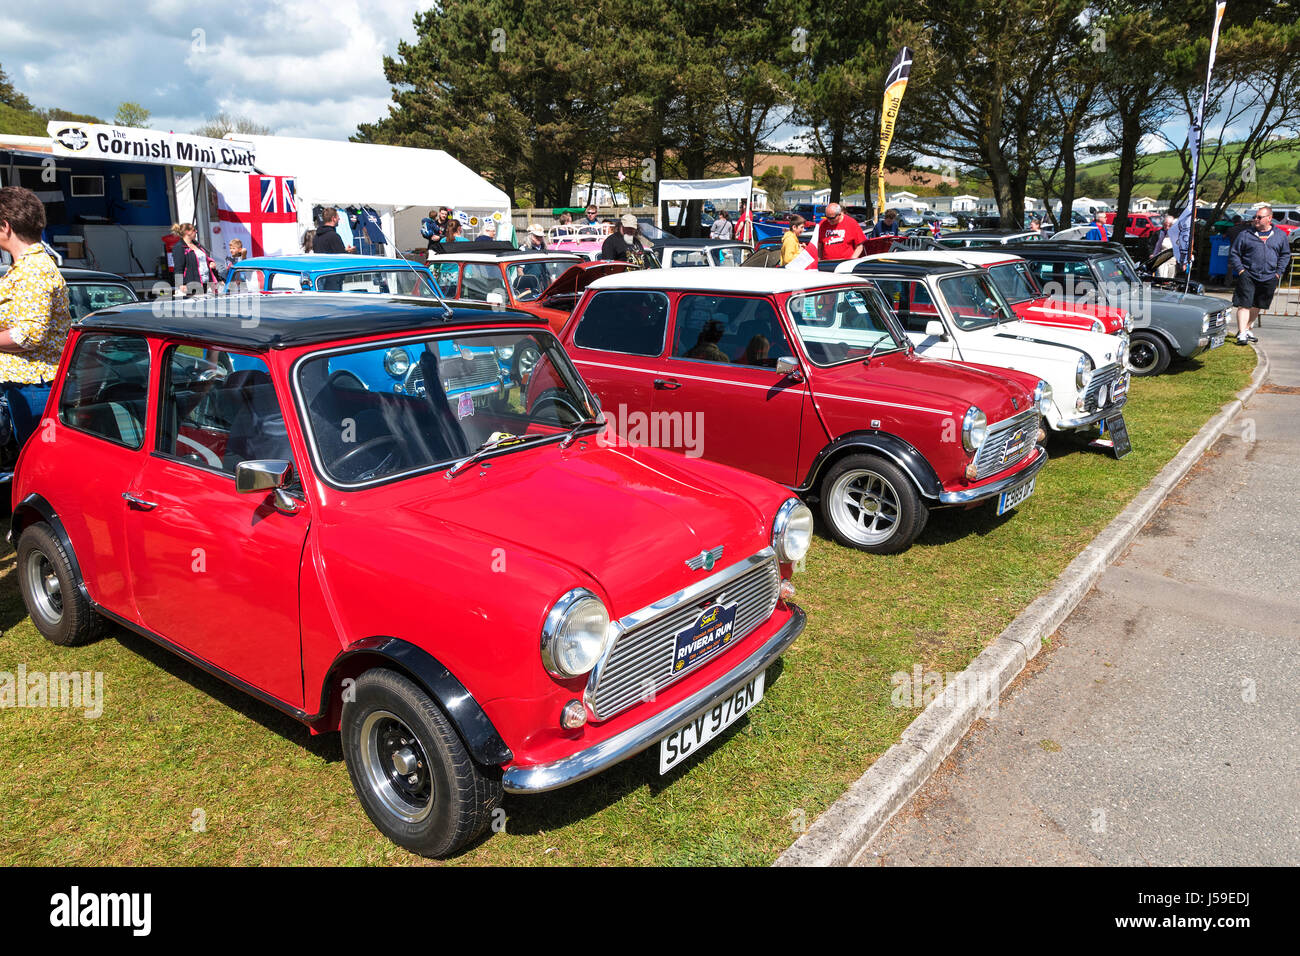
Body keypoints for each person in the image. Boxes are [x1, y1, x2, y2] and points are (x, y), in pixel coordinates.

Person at [0, 186, 74, 451]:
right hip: (29, 384)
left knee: (39, 458)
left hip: (35, 387)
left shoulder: (34, 269)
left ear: (5, 226)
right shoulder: (27, 266)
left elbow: (28, 334)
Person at [1228, 204, 1291, 345]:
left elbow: (1285, 254)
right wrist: (1241, 270)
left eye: (1259, 217)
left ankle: (1246, 328)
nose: (1255, 219)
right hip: (1248, 274)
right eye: (1255, 217)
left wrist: (1278, 272)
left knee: (1257, 304)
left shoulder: (1280, 235)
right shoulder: (1245, 234)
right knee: (1244, 304)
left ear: (1269, 218)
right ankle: (1242, 334)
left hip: (1269, 276)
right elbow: (1234, 253)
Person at [172, 223, 221, 295]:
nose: (196, 231)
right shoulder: (179, 247)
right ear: (187, 232)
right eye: (194, 230)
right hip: (192, 284)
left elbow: (205, 258)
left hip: (206, 282)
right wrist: (180, 284)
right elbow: (178, 268)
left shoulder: (197, 244)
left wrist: (210, 262)